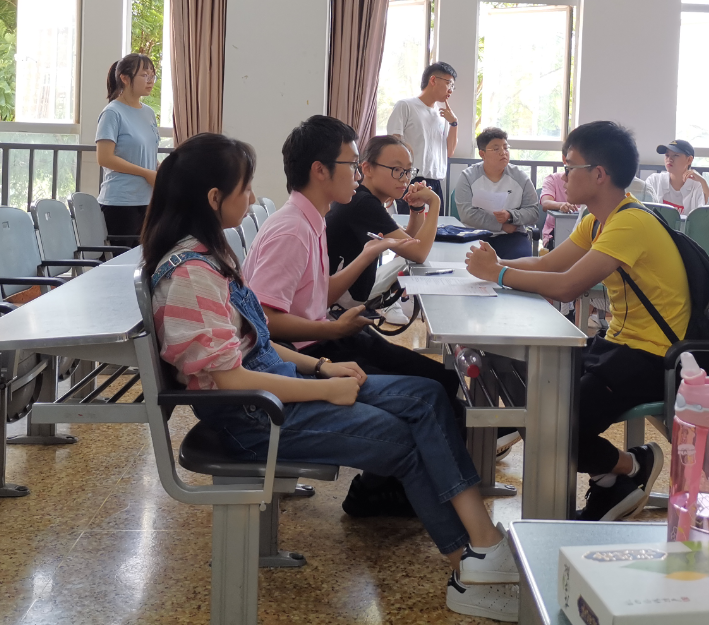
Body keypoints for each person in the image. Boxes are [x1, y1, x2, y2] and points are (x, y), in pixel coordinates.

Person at [144, 133, 519, 622]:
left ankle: (483, 546)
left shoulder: (210, 256)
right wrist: (325, 387)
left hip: (275, 390)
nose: (252, 198)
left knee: (428, 395)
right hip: (254, 417)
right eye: (245, 188)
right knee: (404, 437)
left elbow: (256, 340)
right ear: (214, 198)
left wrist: (323, 367)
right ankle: (467, 568)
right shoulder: (192, 273)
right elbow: (232, 379)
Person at [464, 120, 691, 522]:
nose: (563, 175)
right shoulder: (598, 218)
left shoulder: (630, 222)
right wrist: (497, 263)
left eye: (570, 166)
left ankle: (631, 466)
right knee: (541, 394)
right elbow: (548, 264)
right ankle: (615, 475)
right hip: (617, 346)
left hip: (654, 358)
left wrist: (497, 274)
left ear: (599, 174)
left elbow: (567, 286)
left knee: (552, 425)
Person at [244, 116, 464, 516]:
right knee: (435, 388)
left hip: (328, 335)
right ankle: (383, 493)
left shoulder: (311, 218)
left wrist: (364, 257)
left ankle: (401, 487)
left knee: (444, 380)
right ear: (320, 170)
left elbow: (318, 293)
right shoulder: (293, 230)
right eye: (351, 165)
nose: (357, 176)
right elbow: (265, 322)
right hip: (308, 353)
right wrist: (334, 330)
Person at [325, 133, 441, 319]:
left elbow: (406, 243)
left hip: (351, 291)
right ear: (367, 168)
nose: (404, 178)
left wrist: (417, 208)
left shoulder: (366, 197)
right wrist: (435, 203)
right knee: (415, 264)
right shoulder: (363, 203)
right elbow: (418, 253)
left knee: (408, 262)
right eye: (397, 169)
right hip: (337, 303)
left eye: (408, 170)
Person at [95, 53, 160, 248]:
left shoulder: (148, 113)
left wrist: (160, 170)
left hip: (147, 200)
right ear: (124, 78)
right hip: (120, 203)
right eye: (144, 75)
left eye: (152, 75)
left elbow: (147, 154)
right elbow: (105, 158)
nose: (150, 80)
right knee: (122, 260)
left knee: (146, 258)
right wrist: (146, 173)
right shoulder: (112, 112)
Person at [452, 128, 542, 261]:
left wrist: (510, 216)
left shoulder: (520, 177)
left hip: (512, 236)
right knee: (470, 264)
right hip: (476, 234)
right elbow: (467, 214)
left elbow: (533, 212)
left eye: (505, 148)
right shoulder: (468, 177)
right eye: (496, 149)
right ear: (482, 154)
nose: (503, 152)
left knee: (519, 263)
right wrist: (501, 225)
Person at [386, 61, 459, 210]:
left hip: (435, 183)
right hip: (410, 181)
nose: (451, 90)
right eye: (449, 83)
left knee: (435, 225)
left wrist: (454, 123)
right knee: (409, 224)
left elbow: (449, 152)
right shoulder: (405, 105)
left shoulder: (442, 115)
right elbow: (393, 145)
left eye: (453, 86)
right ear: (433, 80)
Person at [642, 139, 709, 215]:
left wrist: (703, 182)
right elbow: (643, 210)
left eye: (676, 155)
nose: (669, 159)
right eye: (667, 155)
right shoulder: (654, 180)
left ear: (689, 160)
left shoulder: (698, 186)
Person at [538, 146, 581, 249]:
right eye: (569, 169)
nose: (564, 178)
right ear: (564, 159)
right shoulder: (552, 179)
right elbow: (545, 203)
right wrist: (561, 205)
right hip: (555, 233)